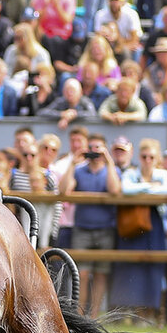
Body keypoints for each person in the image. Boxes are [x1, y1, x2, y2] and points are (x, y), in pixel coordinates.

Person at [111, 137, 167, 322]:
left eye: (151, 157)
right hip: (133, 225)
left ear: (157, 159)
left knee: (153, 267)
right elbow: (126, 188)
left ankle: (149, 313)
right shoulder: (131, 173)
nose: (147, 160)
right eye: (144, 156)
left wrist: (142, 190)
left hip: (154, 225)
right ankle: (127, 311)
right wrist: (150, 187)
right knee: (129, 267)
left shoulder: (163, 174)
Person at [61, 133, 121, 316]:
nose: (94, 152)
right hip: (82, 228)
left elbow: (114, 190)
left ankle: (94, 316)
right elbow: (64, 190)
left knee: (102, 273)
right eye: (91, 148)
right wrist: (72, 163)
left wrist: (109, 162)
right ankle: (81, 316)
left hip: (105, 228)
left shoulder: (112, 170)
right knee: (83, 274)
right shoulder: (79, 170)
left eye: (98, 148)